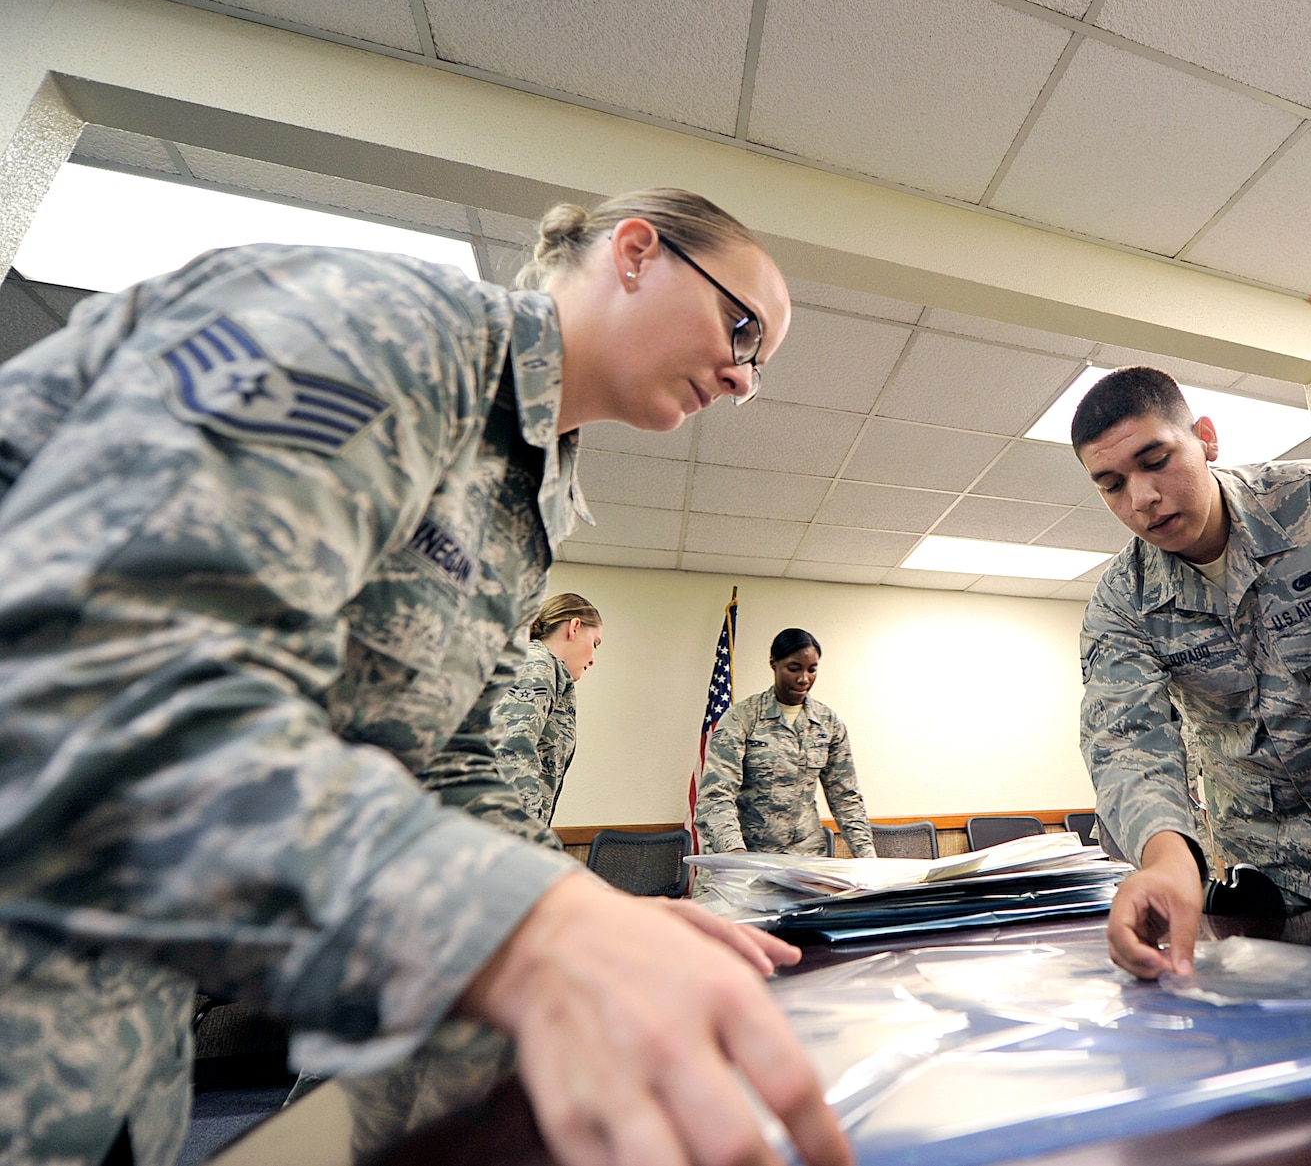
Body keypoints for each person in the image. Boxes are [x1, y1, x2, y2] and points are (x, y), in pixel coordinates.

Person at [0, 189, 852, 1166]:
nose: (744, 379)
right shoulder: (380, 328)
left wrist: (595, 914)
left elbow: (459, 774)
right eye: (742, 327)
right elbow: (105, 674)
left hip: (105, 1054)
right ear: (633, 252)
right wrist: (524, 926)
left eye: (761, 363)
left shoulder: (524, 495)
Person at [1071, 368, 1311, 979]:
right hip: (1272, 877)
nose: (1142, 498)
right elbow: (1125, 741)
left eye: (1156, 461)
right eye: (1112, 484)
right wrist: (1166, 858)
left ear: (1206, 438)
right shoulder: (1123, 598)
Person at [423, 592, 603, 848]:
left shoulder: (542, 667)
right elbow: (511, 751)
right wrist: (531, 841)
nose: (593, 659)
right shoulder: (538, 664)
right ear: (574, 627)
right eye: (595, 642)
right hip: (499, 836)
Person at [696, 629, 876, 857]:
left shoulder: (827, 723)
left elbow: (846, 798)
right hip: (745, 855)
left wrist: (868, 859)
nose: (804, 678)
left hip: (804, 860)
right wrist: (735, 852)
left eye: (812, 670)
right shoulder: (742, 718)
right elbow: (716, 795)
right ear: (774, 663)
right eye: (794, 668)